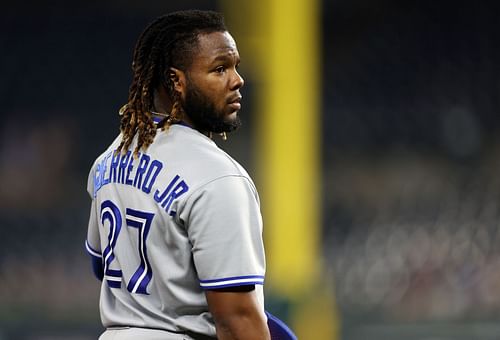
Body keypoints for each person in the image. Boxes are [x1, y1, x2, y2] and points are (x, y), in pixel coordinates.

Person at [84, 9, 272, 340]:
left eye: (235, 67)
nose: (237, 79)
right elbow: (237, 319)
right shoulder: (218, 178)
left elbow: (103, 265)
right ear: (176, 81)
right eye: (219, 69)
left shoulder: (110, 160)